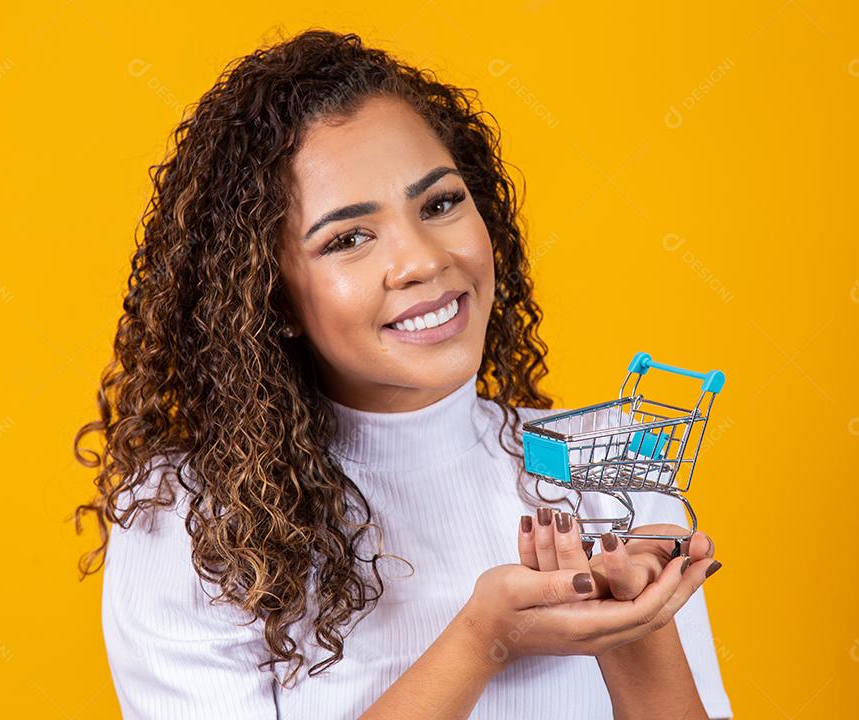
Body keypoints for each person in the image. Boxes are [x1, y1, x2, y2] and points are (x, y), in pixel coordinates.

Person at [74, 28, 732, 719]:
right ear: (273, 297)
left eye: (440, 204)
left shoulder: (610, 465)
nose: (422, 260)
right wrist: (481, 641)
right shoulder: (190, 520)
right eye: (348, 238)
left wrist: (634, 627)